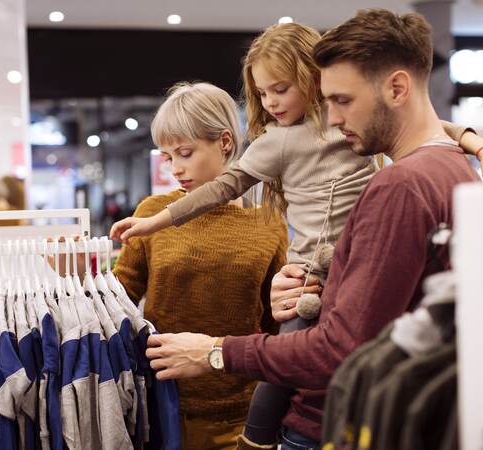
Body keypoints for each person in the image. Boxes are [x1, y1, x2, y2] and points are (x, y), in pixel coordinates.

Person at [110, 20, 482, 450]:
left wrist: (216, 352)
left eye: (341, 99)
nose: (336, 117)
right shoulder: (446, 169)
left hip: (325, 413)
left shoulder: (400, 183)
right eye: (329, 100)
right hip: (219, 394)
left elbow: (335, 346)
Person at [112, 82, 289, 450]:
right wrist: (73, 274)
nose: (175, 168)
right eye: (167, 157)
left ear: (225, 142)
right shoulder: (151, 214)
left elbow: (277, 328)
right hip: (161, 405)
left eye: (185, 153)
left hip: (241, 413)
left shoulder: (268, 223)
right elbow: (118, 302)